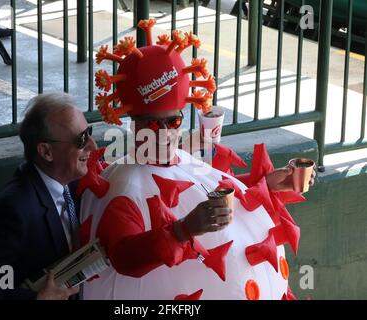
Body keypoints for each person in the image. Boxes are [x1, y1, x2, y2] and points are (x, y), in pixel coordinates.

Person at [77, 19, 315, 300]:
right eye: (153, 124)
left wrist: (268, 185)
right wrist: (182, 231)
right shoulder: (124, 187)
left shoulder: (189, 163)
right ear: (134, 123)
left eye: (174, 120)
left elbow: (200, 196)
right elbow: (123, 257)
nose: (165, 132)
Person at [0, 92, 97, 299]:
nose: (93, 145)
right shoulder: (15, 210)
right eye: (81, 139)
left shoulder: (71, 184)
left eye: (89, 131)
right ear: (46, 152)